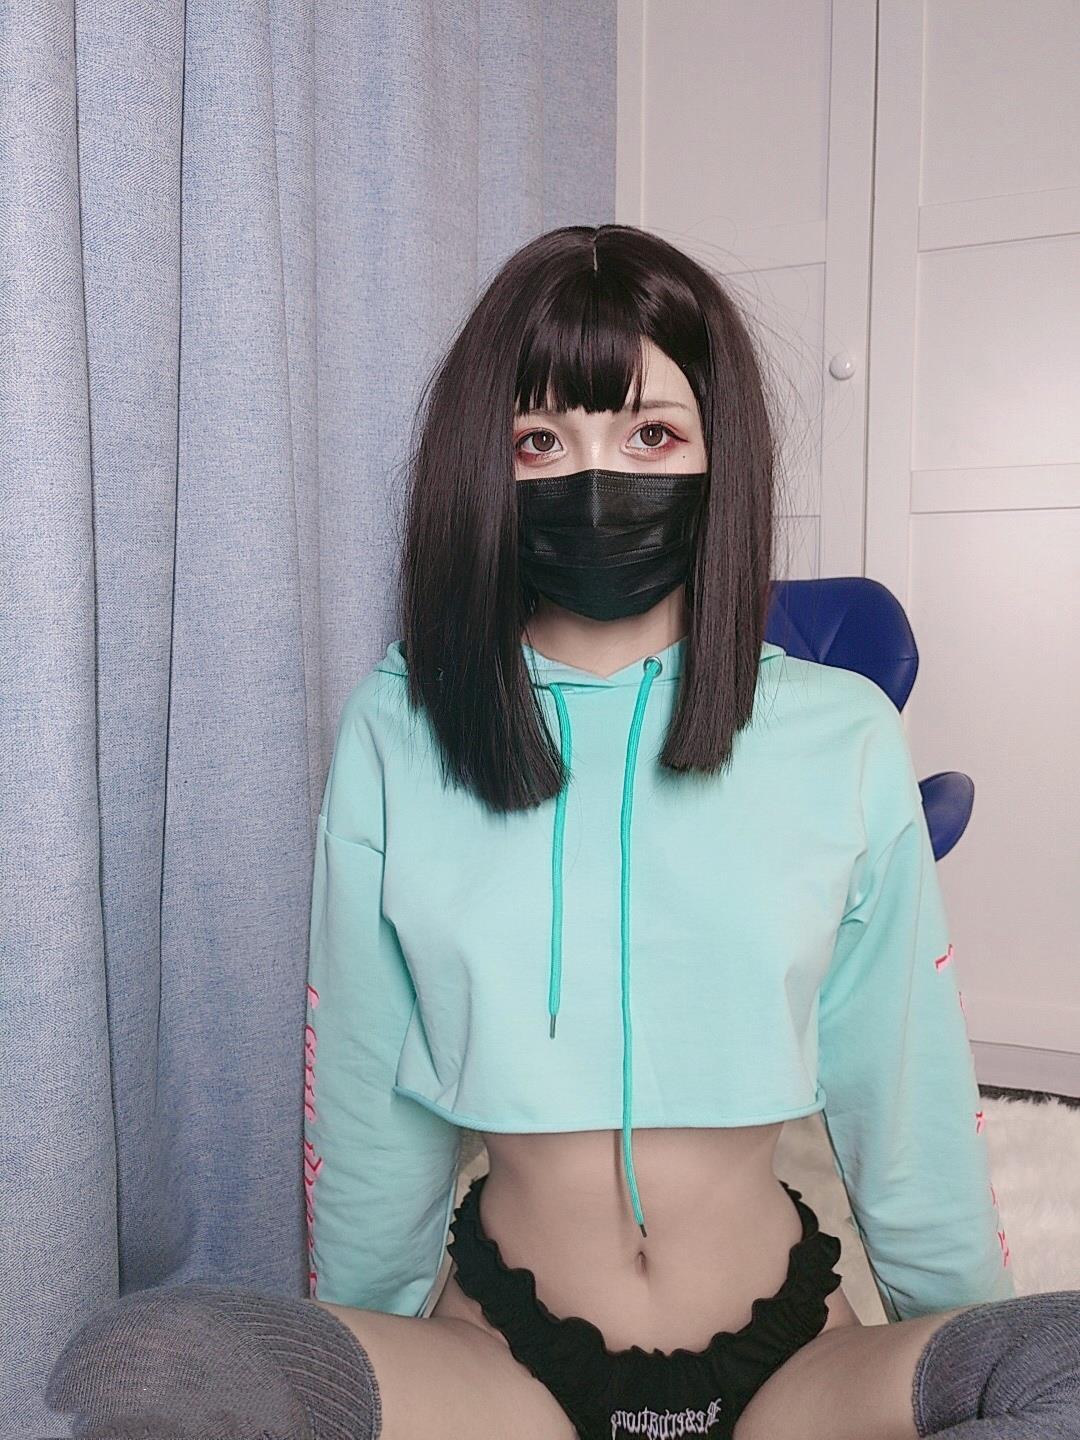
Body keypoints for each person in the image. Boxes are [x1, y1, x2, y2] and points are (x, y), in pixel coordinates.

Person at [45, 224, 1080, 1440]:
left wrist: (968, 1359)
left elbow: (902, 1093)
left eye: (650, 435)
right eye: (539, 441)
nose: (595, 477)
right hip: (506, 1363)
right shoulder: (402, 726)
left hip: (790, 1366)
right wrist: (355, 1351)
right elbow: (368, 1089)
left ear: (719, 454)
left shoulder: (840, 734)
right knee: (143, 1363)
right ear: (484, 472)